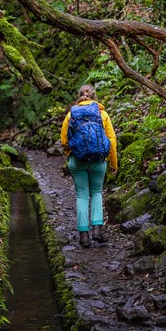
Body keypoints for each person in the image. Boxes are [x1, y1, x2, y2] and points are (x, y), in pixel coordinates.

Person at [60, 85, 118, 248]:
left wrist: (73, 151)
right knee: (97, 193)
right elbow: (112, 140)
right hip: (98, 161)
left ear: (79, 97)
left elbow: (64, 141)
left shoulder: (71, 115)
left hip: (77, 161)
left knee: (82, 196)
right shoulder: (102, 114)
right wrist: (113, 163)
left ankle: (84, 235)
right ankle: (97, 230)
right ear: (94, 97)